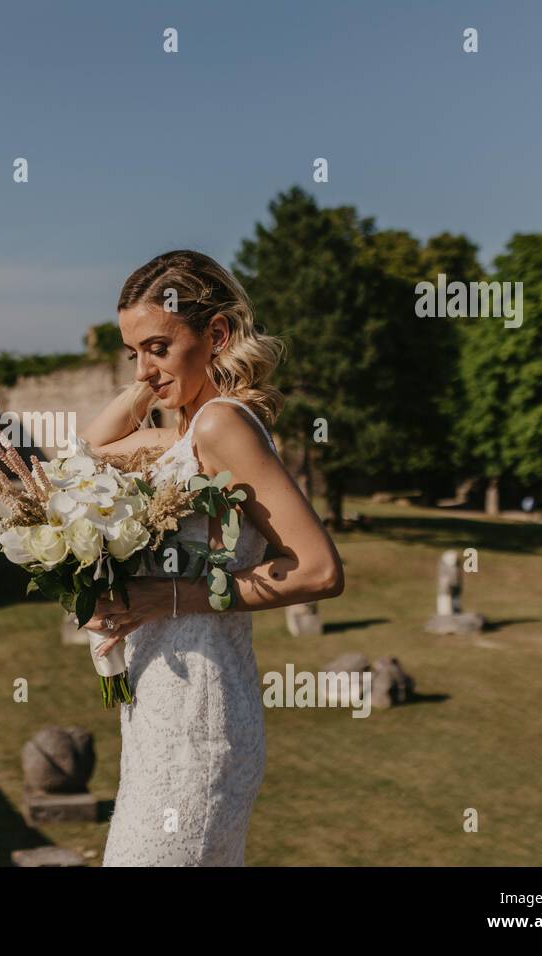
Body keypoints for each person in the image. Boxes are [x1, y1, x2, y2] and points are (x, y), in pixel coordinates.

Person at [81, 250, 345, 866]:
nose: (144, 370)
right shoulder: (182, 435)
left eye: (158, 347)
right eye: (132, 353)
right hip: (160, 706)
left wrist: (164, 597)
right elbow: (75, 464)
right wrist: (146, 382)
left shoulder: (223, 424)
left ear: (217, 334)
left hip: (198, 715)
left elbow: (318, 569)